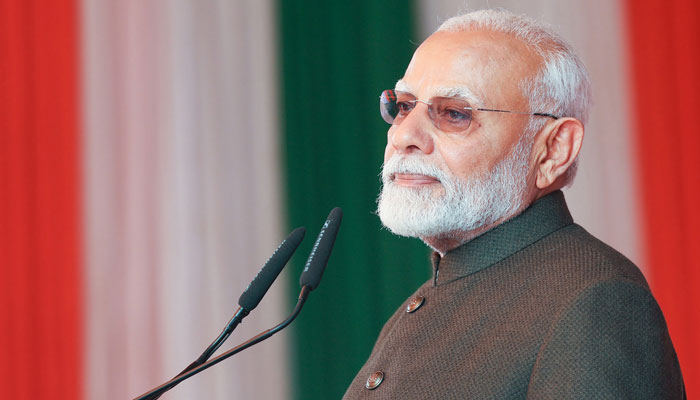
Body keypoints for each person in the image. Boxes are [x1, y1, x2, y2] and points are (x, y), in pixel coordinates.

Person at [343, 9, 685, 399]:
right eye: (404, 106)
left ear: (554, 150)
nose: (405, 135)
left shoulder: (596, 302)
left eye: (454, 113)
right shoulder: (433, 294)